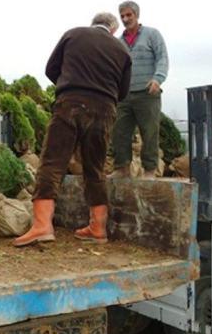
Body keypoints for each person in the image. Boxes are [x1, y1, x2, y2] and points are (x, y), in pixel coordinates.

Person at [13, 12, 132, 247]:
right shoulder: (122, 50)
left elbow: (51, 69)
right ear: (113, 29)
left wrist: (70, 83)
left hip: (71, 103)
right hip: (105, 110)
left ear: (93, 23)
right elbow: (124, 90)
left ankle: (42, 226)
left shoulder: (73, 35)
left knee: (52, 163)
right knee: (95, 169)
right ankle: (98, 228)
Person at [111, 0, 169, 178]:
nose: (125, 19)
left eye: (129, 15)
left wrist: (158, 79)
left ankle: (150, 170)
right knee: (119, 132)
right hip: (124, 95)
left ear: (137, 15)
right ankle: (122, 169)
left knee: (149, 133)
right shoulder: (118, 42)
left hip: (148, 93)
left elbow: (162, 58)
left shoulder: (152, 35)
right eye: (122, 16)